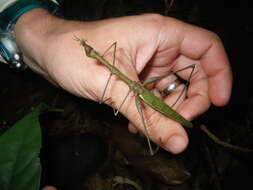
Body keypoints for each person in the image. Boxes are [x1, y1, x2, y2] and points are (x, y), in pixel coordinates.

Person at [1, 1, 232, 189]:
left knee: (149, 132)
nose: (88, 51)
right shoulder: (104, 57)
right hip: (142, 92)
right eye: (88, 51)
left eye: (88, 51)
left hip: (144, 93)